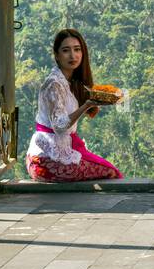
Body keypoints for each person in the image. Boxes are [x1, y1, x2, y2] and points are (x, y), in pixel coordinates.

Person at [25, 29, 124, 182]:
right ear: (57, 55)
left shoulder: (69, 82)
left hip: (54, 157)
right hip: (47, 161)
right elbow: (59, 125)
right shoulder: (54, 84)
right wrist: (86, 105)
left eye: (77, 49)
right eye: (66, 50)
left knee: (109, 169)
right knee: (111, 172)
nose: (73, 56)